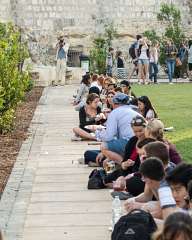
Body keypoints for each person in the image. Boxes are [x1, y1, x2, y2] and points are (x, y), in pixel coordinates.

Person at [96, 93, 141, 163]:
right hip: (140, 141)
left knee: (103, 146)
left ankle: (123, 164)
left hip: (130, 142)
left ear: (115, 104)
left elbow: (109, 136)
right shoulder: (134, 111)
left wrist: (98, 133)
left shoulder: (115, 112)